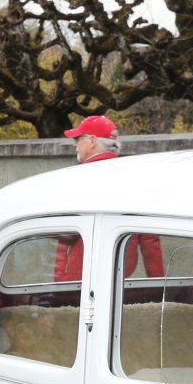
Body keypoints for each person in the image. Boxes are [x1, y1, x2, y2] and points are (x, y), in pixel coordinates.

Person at [53, 115, 163, 281]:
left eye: (77, 139)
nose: (75, 145)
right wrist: (158, 284)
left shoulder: (76, 180)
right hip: (119, 279)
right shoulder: (134, 180)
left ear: (92, 141)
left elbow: (64, 234)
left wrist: (60, 283)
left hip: (77, 281)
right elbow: (150, 239)